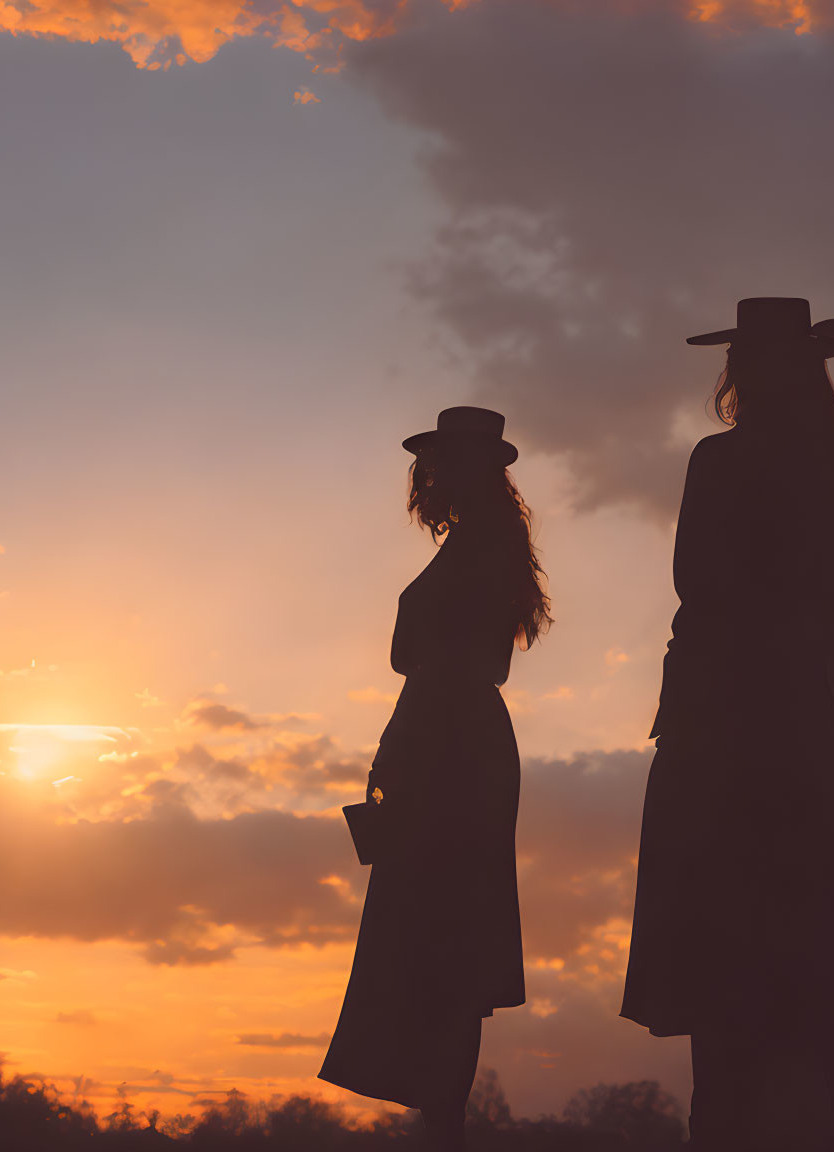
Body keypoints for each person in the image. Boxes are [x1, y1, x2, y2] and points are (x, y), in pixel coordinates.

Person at [620, 299, 834, 1150]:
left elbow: (695, 591)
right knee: (815, 957)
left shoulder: (720, 461)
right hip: (814, 735)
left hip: (728, 728)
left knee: (728, 963)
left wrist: (685, 721)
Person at [320, 406, 551, 1150]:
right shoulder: (487, 546)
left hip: (447, 745)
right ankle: (440, 1125)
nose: (427, 477)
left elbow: (432, 660)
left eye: (439, 463)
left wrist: (399, 748)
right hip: (459, 741)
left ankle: (441, 1129)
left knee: (440, 937)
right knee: (446, 939)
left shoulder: (476, 549)